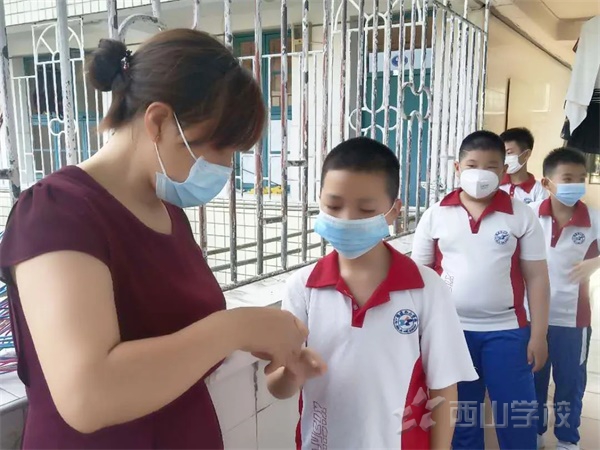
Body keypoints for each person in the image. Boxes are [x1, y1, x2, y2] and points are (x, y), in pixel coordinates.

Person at [0, 30, 309, 449]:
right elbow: (88, 395)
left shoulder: (167, 210)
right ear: (159, 121)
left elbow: (182, 353)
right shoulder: (57, 212)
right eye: (221, 148)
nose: (226, 167)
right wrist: (236, 328)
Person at [266, 137, 478, 449]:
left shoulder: (426, 288)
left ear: (393, 211)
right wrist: (291, 374)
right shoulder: (303, 286)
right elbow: (278, 386)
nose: (346, 219)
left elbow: (444, 388)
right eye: (333, 206)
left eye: (366, 209)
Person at [411, 130, 550, 450]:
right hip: (451, 331)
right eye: (472, 165)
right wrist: (421, 333)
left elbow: (537, 278)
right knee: (462, 418)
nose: (480, 174)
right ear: (457, 168)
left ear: (503, 171)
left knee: (516, 415)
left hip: (508, 330)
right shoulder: (436, 215)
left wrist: (539, 335)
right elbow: (419, 278)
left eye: (491, 167)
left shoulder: (521, 214)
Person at [530, 148, 599, 450]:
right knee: (533, 379)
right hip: (532, 317)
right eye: (568, 178)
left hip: (573, 319)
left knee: (570, 382)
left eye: (581, 178)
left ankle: (568, 439)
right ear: (547, 183)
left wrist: (595, 263)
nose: (576, 185)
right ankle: (534, 431)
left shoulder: (594, 218)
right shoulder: (529, 214)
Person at [499, 127, 548, 204]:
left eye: (509, 153)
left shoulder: (538, 190)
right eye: (502, 153)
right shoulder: (496, 184)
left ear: (526, 155)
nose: (504, 158)